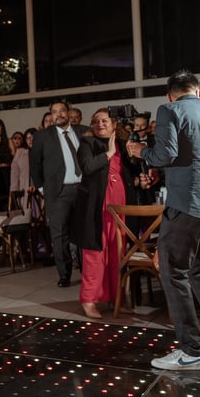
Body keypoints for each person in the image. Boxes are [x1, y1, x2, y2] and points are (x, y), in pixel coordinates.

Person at [127, 70, 200, 371]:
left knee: (172, 272)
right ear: (197, 90)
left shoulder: (170, 110)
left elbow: (165, 153)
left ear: (169, 95)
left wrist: (142, 152)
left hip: (186, 204)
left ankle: (191, 351)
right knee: (198, 270)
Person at [71, 108, 140, 319]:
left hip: (121, 209)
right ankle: (89, 300)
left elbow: (133, 171)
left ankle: (117, 299)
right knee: (95, 255)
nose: (99, 124)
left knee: (117, 254)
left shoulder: (123, 144)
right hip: (97, 208)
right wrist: (108, 153)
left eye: (104, 121)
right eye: (96, 121)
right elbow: (87, 167)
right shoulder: (87, 143)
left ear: (114, 124)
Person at [30, 100, 85, 287]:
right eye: (54, 112)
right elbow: (34, 164)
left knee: (84, 233)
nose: (59, 114)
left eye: (62, 110)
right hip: (58, 192)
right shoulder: (42, 136)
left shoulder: (83, 131)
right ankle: (64, 274)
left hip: (83, 190)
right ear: (51, 115)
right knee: (60, 235)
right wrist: (42, 189)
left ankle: (87, 272)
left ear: (68, 112)